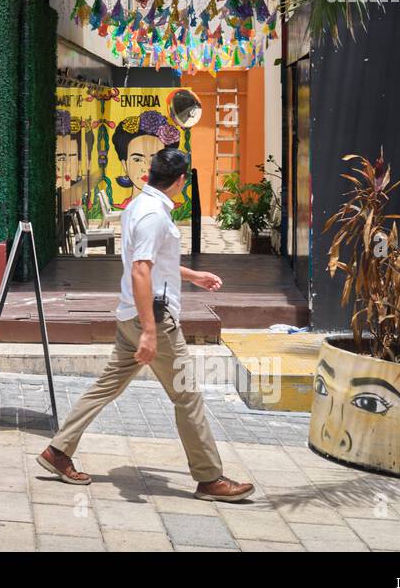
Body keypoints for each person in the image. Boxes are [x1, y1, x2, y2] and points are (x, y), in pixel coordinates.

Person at [37, 147, 255, 502]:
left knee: (106, 386)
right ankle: (210, 478)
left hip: (130, 316)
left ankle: (57, 452)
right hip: (152, 317)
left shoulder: (139, 205)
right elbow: (141, 270)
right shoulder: (154, 214)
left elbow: (151, 261)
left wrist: (191, 275)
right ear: (181, 180)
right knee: (187, 397)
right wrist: (151, 331)